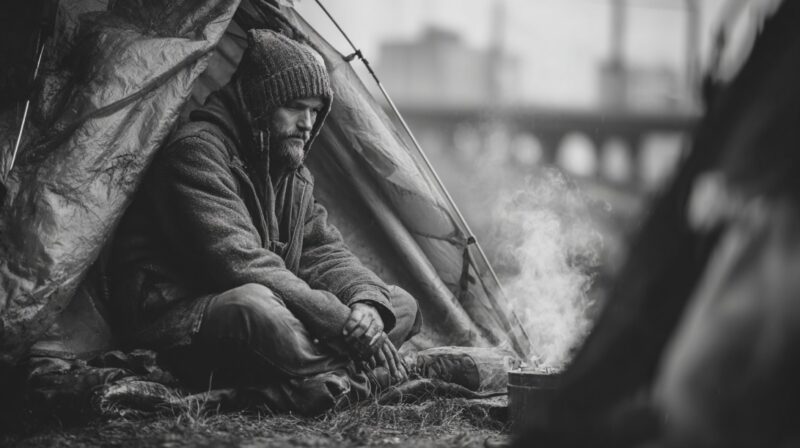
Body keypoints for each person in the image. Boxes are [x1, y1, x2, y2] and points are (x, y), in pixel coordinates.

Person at [109, 29, 421, 413]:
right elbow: (239, 263)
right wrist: (341, 322)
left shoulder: (290, 171)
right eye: (295, 106)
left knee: (398, 302)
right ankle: (355, 380)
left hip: (276, 307)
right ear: (260, 101)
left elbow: (324, 252)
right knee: (256, 306)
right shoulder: (195, 153)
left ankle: (321, 383)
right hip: (182, 320)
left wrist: (366, 306)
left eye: (315, 110)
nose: (307, 123)